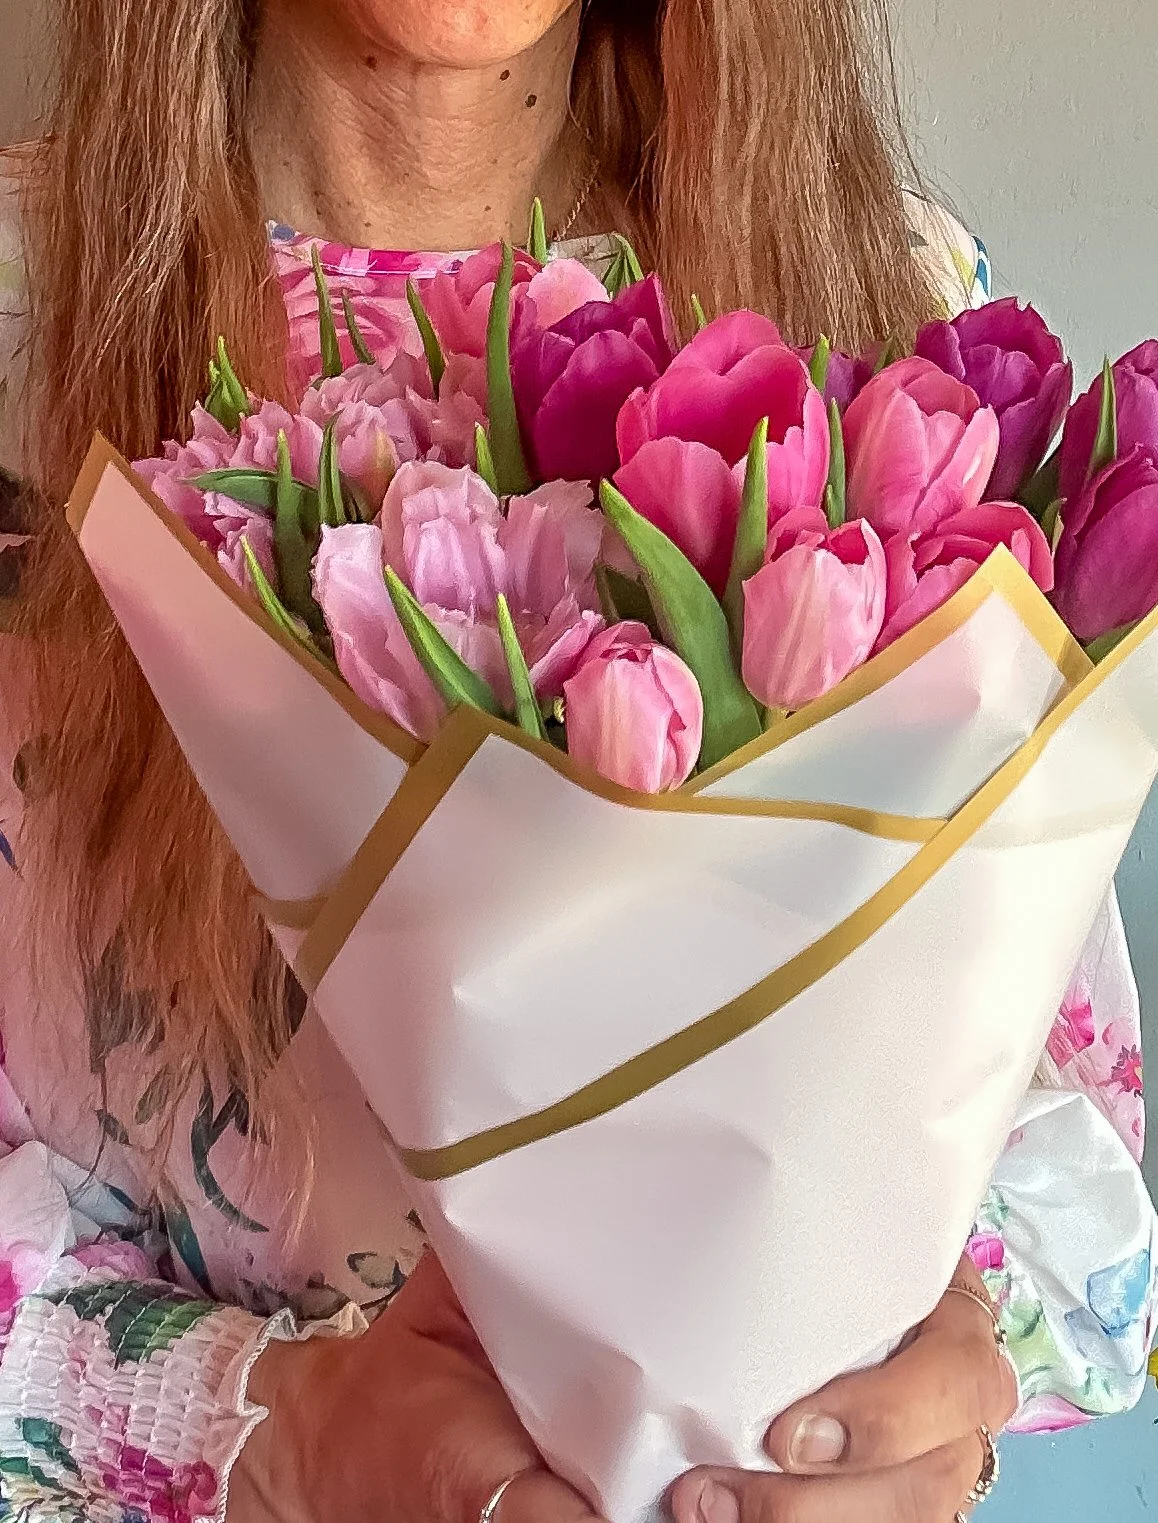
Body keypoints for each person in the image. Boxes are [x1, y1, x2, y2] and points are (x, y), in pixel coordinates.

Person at [0, 3, 1153, 1521]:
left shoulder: (886, 286)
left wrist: (915, 1401)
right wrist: (276, 1438)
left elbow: (1067, 1162)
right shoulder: (29, 313)